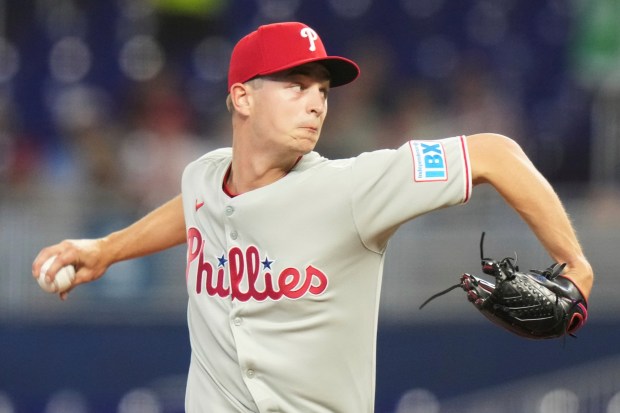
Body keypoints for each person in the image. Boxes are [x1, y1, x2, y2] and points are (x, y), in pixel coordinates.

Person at [32, 22, 594, 412]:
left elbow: (496, 154)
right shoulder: (202, 175)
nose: (317, 101)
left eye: (322, 89)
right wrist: (107, 249)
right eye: (296, 85)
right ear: (243, 98)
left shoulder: (352, 188)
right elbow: (197, 209)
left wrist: (575, 265)